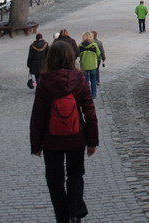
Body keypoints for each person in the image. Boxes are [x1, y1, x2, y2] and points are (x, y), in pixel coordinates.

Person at [30, 41, 98, 223]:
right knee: (75, 174)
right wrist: (92, 141)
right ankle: (75, 211)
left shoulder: (45, 82)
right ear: (71, 58)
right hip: (76, 137)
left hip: (51, 140)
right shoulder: (79, 81)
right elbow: (90, 112)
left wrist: (35, 145)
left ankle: (62, 218)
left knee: (55, 181)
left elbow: (38, 115)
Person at [78, 32, 102, 98]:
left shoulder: (80, 46)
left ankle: (87, 94)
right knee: (93, 80)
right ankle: (94, 94)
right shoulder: (94, 45)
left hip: (84, 66)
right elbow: (98, 54)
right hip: (93, 66)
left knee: (85, 81)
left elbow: (78, 54)